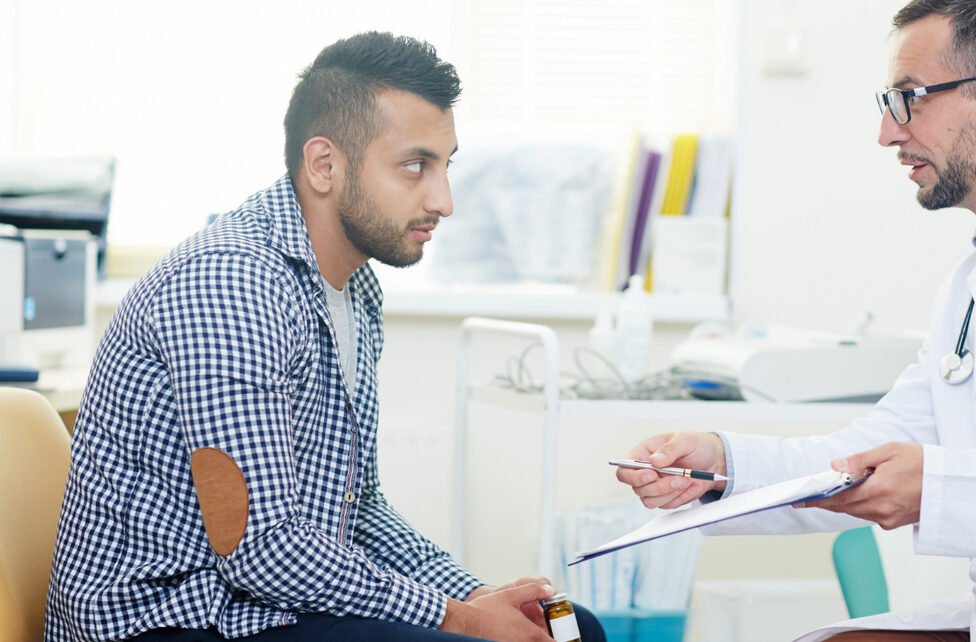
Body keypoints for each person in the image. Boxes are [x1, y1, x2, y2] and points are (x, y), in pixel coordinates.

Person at [617, 1, 976, 640]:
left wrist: (941, 487)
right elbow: (868, 456)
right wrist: (721, 465)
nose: (887, 133)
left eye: (909, 99)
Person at [44, 32, 604, 642]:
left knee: (575, 631)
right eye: (415, 166)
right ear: (323, 165)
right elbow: (260, 548)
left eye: (446, 166)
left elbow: (358, 507)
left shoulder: (356, 289)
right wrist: (459, 619)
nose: (443, 200)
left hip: (263, 606)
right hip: (168, 623)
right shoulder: (230, 285)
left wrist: (473, 593)